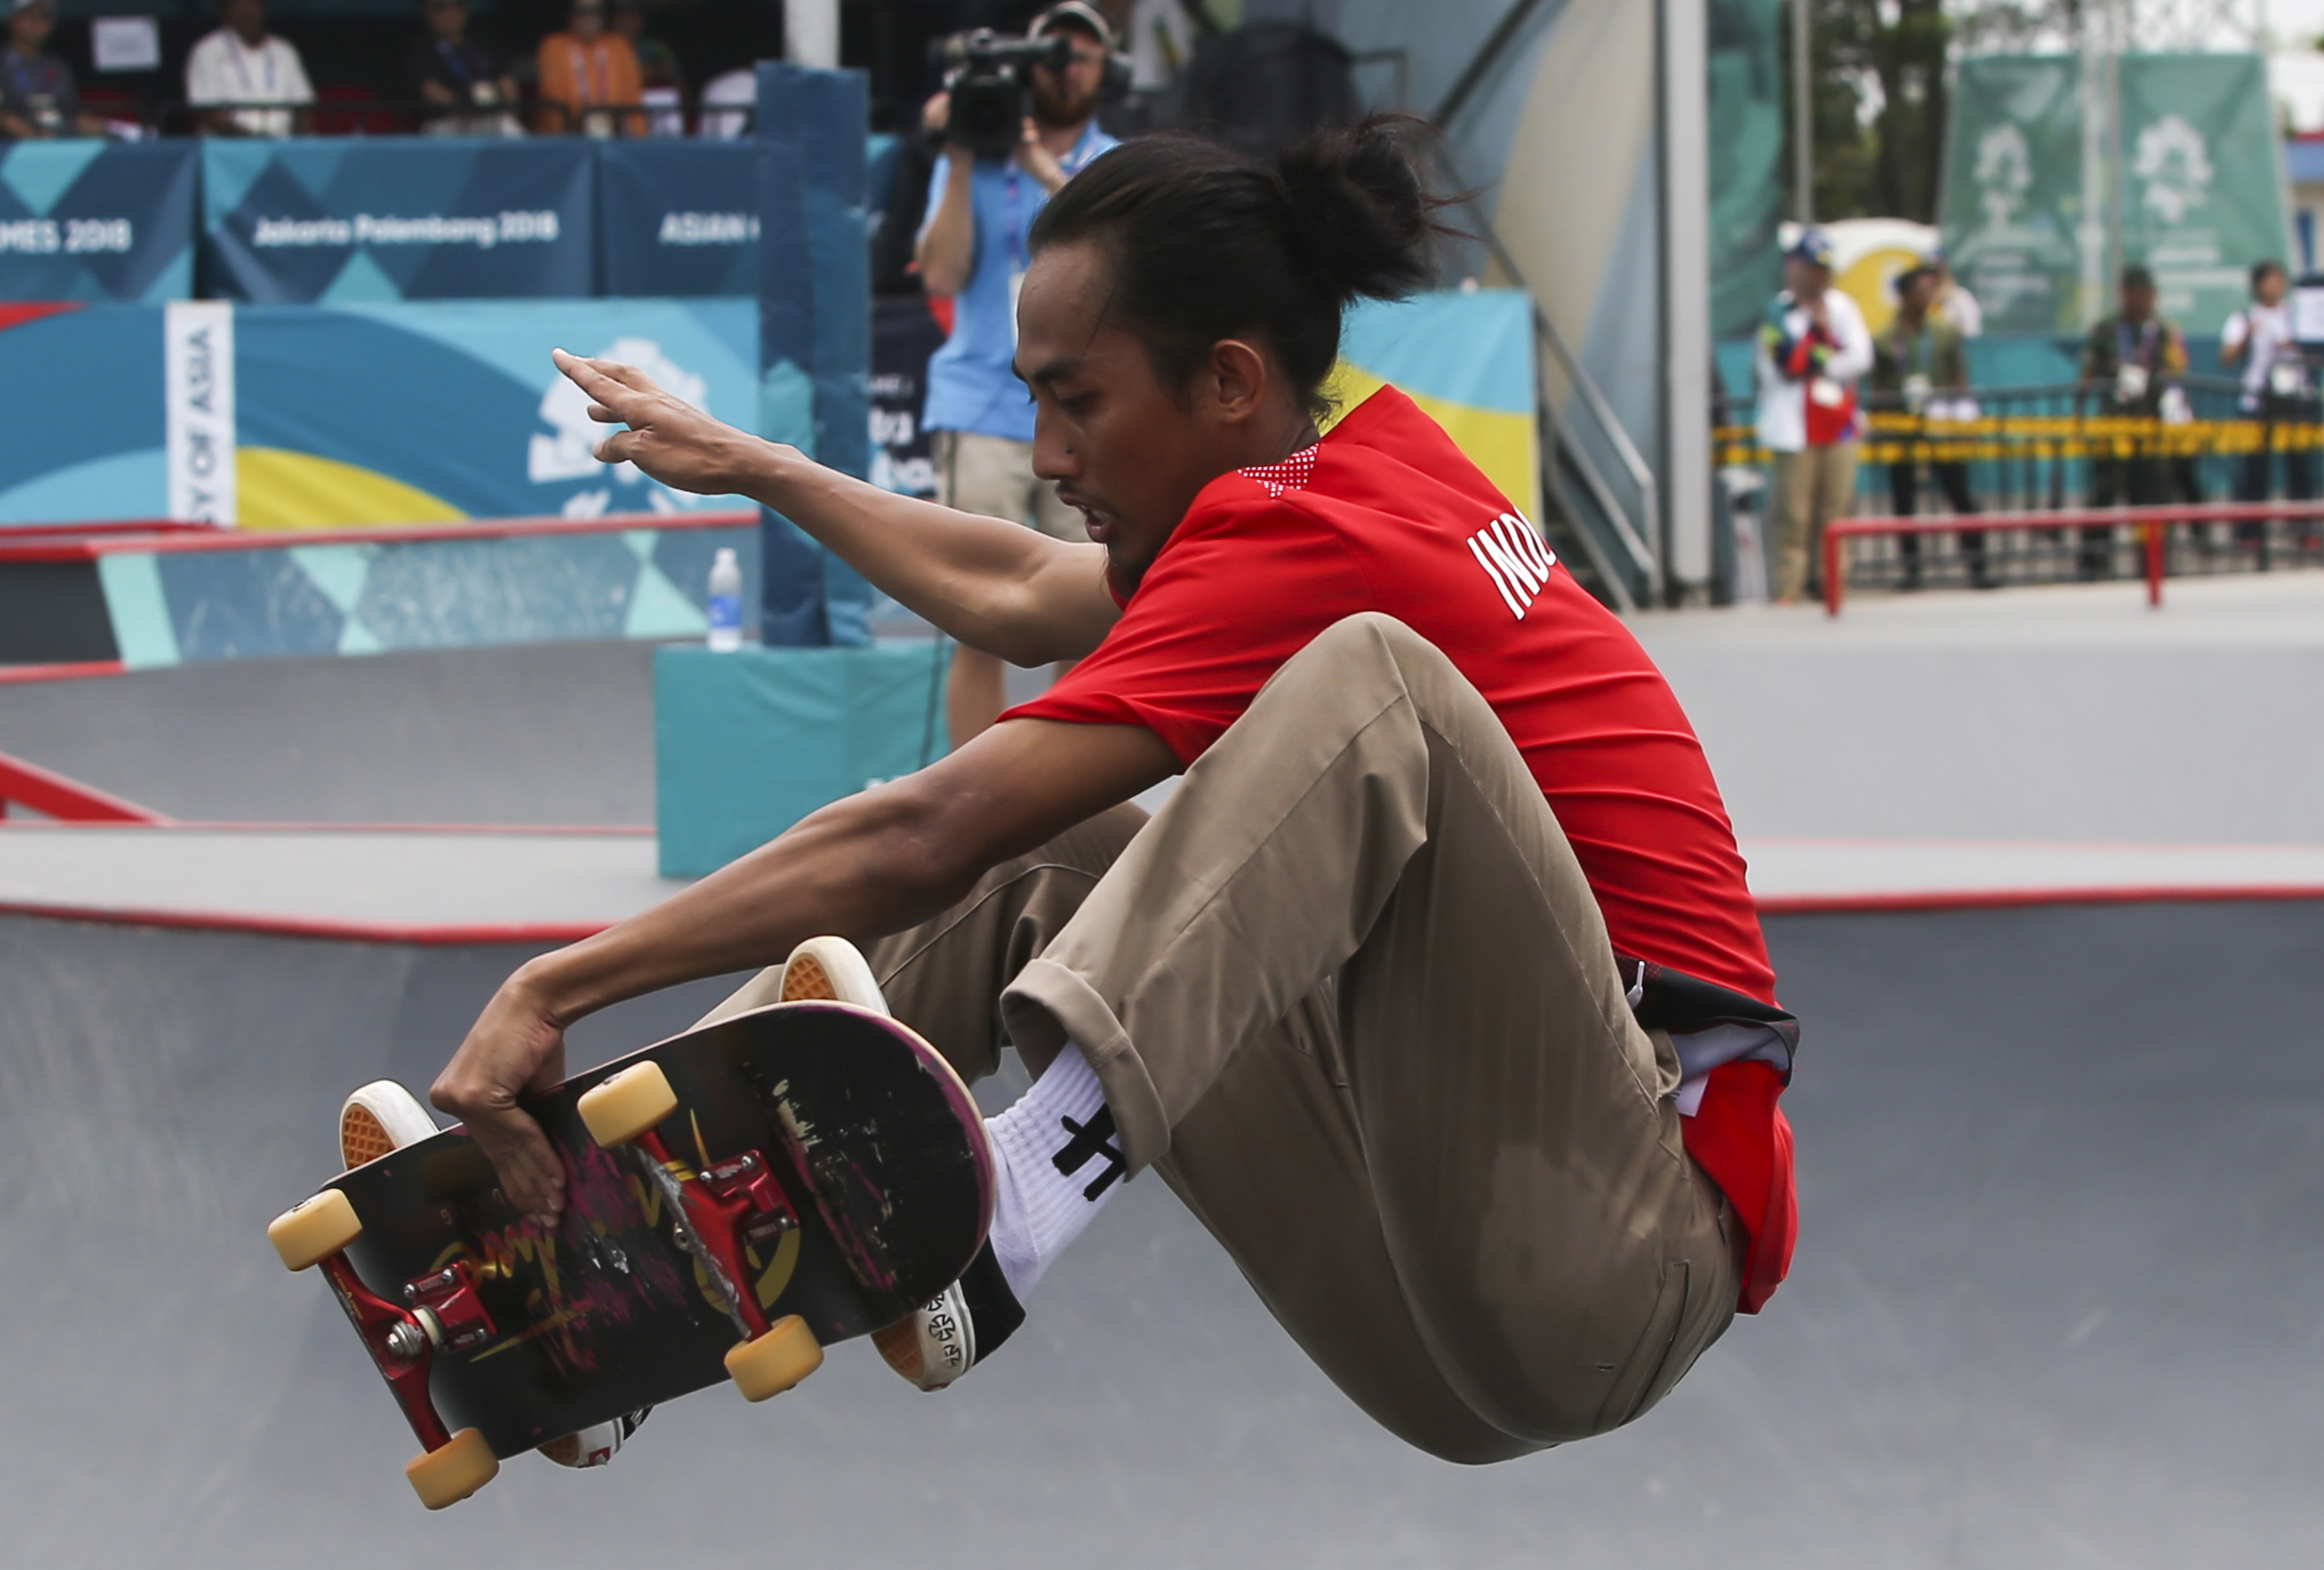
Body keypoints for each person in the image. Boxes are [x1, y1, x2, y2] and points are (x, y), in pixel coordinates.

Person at [434, 119, 1798, 1467]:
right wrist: (758, 465)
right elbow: (1021, 590)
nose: (1045, 451)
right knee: (1042, 853)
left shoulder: (1320, 539)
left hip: (1625, 1243)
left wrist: (557, 984)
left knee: (1377, 685)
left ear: (1227, 380)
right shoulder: (1339, 478)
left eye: (1077, 401)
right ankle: (605, 1266)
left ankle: (1029, 1187)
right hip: (1433, 1295)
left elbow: (924, 830)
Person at [915, 1, 1119, 744]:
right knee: (976, 617)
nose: (1067, 68)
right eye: (1053, 53)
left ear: (1106, 70)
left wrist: (1041, 170)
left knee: (1093, 617)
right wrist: (961, 154)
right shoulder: (970, 157)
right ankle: (971, 798)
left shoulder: (1117, 163)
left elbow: (1121, 257)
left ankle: (1066, 793)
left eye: (1082, 55)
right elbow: (940, 274)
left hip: (1089, 411)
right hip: (979, 402)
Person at [1754, 229, 1872, 602]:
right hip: (1795, 429)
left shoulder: (1842, 308)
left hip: (1838, 425)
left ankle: (1833, 587)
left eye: (1824, 269)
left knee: (1836, 511)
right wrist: (1819, 354)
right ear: (1794, 268)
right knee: (1793, 515)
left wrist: (1821, 360)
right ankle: (1788, 591)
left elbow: (1860, 357)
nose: (1820, 276)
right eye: (1811, 268)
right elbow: (1778, 367)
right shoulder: (1779, 313)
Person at [1872, 264, 1990, 590]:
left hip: (1942, 427)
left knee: (1960, 494)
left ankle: (1978, 566)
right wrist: (1879, 424)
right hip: (1903, 429)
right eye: (1920, 290)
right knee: (1904, 500)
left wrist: (1966, 417)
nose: (1927, 296)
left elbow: (1959, 377)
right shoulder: (1885, 338)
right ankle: (1912, 570)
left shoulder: (1945, 332)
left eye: (1930, 289)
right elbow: (1879, 387)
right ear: (1904, 295)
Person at [2079, 264, 2191, 580]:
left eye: (2147, 293)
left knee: (2153, 499)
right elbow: (2088, 373)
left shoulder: (2163, 331)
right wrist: (2079, 417)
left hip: (2151, 430)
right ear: (2124, 294)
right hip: (2114, 427)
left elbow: (2178, 371)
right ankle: (2093, 564)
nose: (2141, 299)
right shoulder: (2107, 329)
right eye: (2134, 293)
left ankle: (2153, 563)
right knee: (2103, 497)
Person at [2218, 258, 2314, 564]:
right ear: (2258, 285)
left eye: (2280, 280)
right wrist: (2248, 334)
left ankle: (2304, 530)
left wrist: (2294, 341)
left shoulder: (2297, 316)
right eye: (2270, 280)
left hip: (2295, 398)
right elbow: (2227, 357)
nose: (2276, 286)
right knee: (2255, 470)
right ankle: (2251, 532)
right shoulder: (2244, 317)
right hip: (2258, 402)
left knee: (2301, 467)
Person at [185, 0, 312, 138]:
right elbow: (211, 115)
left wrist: (298, 144)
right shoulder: (208, 50)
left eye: (252, 5)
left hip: (282, 144)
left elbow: (304, 107)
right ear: (225, 12)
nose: (247, 12)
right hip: (230, 145)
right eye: (238, 6)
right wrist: (256, 143)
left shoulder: (284, 50)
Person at [0, 0, 104, 139]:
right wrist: (31, 134)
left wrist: (91, 125)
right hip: (14, 146)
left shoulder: (59, 67)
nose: (37, 21)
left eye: (45, 16)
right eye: (29, 13)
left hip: (62, 142)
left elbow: (73, 112)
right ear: (13, 19)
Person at [405, 0, 521, 137]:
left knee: (512, 131)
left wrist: (506, 108)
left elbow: (506, 83)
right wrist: (468, 110)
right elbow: (430, 90)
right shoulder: (421, 52)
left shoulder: (482, 46)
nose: (450, 12)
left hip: (491, 116)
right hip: (447, 121)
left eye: (458, 5)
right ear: (427, 13)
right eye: (440, 7)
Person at [535, 0, 642, 136]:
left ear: (603, 17)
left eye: (595, 12)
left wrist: (640, 140)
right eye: (582, 12)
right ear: (571, 16)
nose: (589, 18)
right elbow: (553, 95)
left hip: (616, 133)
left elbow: (632, 97)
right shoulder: (554, 46)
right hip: (569, 134)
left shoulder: (619, 46)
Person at [1929, 251, 1982, 339]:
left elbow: (1971, 332)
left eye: (1936, 269)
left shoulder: (1961, 297)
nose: (1932, 276)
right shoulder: (1913, 301)